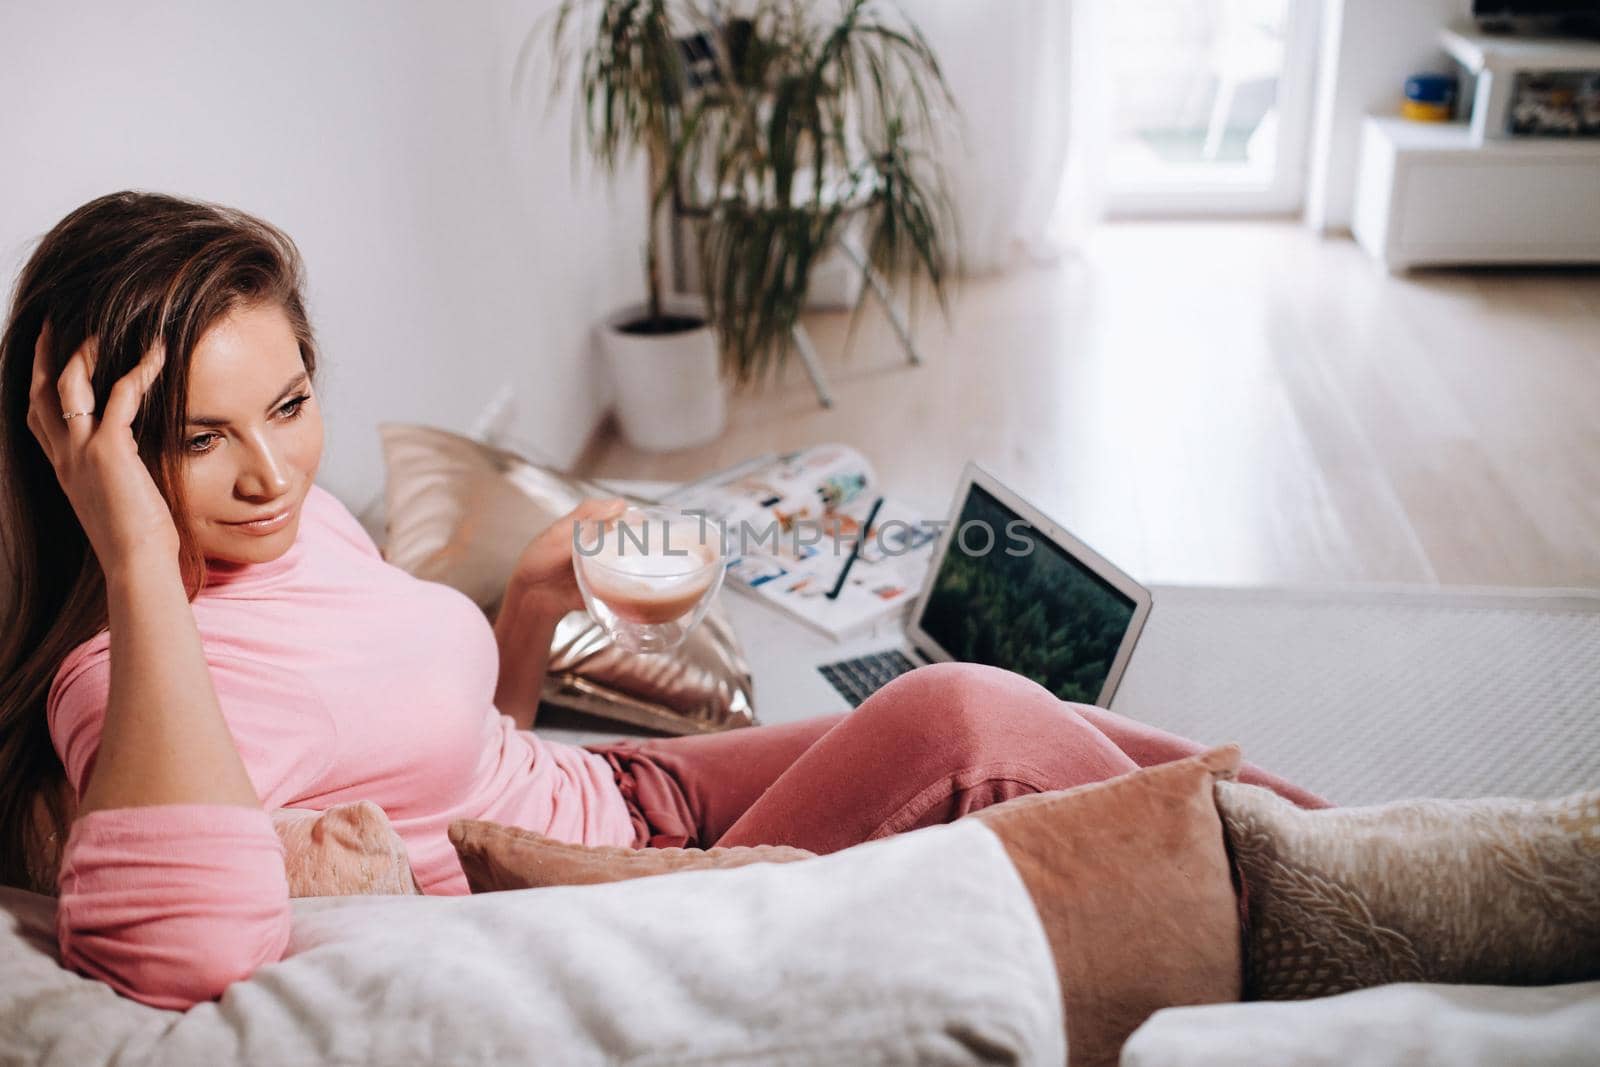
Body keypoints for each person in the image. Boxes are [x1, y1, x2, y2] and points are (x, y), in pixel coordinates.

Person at [0, 191, 1327, 1013]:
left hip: (632, 784)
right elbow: (178, 955)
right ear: (97, 452)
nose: (270, 471)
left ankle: (1304, 838)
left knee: (1017, 710)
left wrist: (526, 608)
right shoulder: (125, 678)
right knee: (964, 719)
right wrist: (127, 553)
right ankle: (1304, 914)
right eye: (194, 438)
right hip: (627, 884)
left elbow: (441, 762)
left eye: (288, 406)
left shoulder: (306, 526)